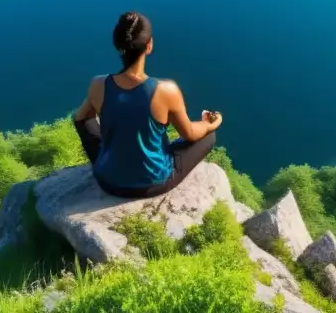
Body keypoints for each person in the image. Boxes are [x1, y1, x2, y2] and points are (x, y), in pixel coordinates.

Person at [73, 11, 223, 198]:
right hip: (152, 184)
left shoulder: (98, 84)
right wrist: (211, 123)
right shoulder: (166, 90)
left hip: (108, 181)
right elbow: (190, 134)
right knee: (208, 136)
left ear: (117, 44)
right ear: (149, 45)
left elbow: (80, 118)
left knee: (82, 120)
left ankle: (108, 158)